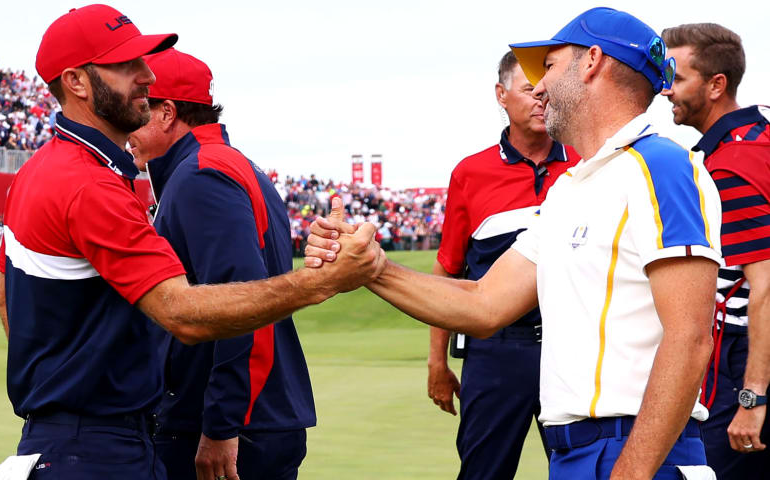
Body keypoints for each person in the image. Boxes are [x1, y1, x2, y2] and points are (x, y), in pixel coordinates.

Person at [308, 7, 722, 479]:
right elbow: (484, 303)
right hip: (578, 451)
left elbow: (689, 338)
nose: (539, 87)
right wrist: (371, 268)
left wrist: (630, 472)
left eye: (547, 67)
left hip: (637, 452)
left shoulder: (663, 166)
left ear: (591, 61)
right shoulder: (572, 188)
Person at [0, 5, 383, 480]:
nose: (146, 74)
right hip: (97, 447)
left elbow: (4, 300)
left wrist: (64, 377)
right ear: (76, 81)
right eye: (126, 64)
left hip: (72, 436)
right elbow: (180, 311)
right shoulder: (94, 182)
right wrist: (322, 282)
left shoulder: (39, 171)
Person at [128, 48, 316, 480]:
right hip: (250, 418)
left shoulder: (200, 175)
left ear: (167, 113)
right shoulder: (226, 164)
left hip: (232, 427)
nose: (129, 124)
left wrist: (221, 425)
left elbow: (242, 303)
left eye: (141, 107)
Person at [427, 50, 580, 480]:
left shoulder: (586, 165)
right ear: (501, 94)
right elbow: (449, 270)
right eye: (530, 91)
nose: (541, 101)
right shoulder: (470, 173)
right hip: (495, 351)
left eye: (547, 92)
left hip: (573, 347)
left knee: (581, 469)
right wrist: (437, 362)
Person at [661, 23, 770, 478]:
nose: (666, 91)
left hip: (747, 360)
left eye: (677, 78)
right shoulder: (759, 134)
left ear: (716, 85)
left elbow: (764, 287)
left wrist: (752, 399)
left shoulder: (731, 164)